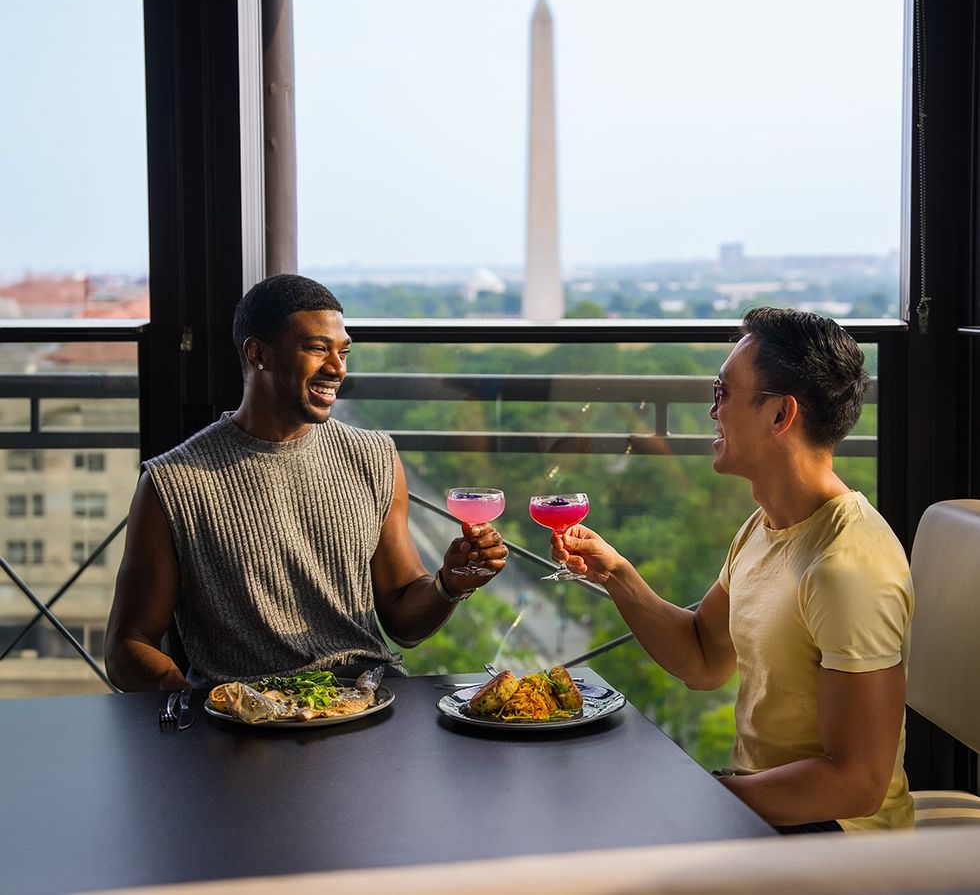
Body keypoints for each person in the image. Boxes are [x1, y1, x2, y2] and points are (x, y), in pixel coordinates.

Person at [551, 307, 914, 833]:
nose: (712, 411)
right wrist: (617, 574)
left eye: (722, 393)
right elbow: (702, 659)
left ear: (780, 415)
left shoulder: (847, 566)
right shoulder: (763, 528)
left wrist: (701, 796)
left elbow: (857, 785)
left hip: (838, 843)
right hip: (767, 815)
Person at [105, 274, 508, 691]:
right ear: (258, 354)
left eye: (343, 352)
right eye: (318, 349)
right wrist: (205, 712)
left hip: (368, 700)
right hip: (248, 727)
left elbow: (403, 620)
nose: (337, 369)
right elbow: (127, 646)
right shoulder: (171, 483)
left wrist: (449, 583)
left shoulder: (374, 456)